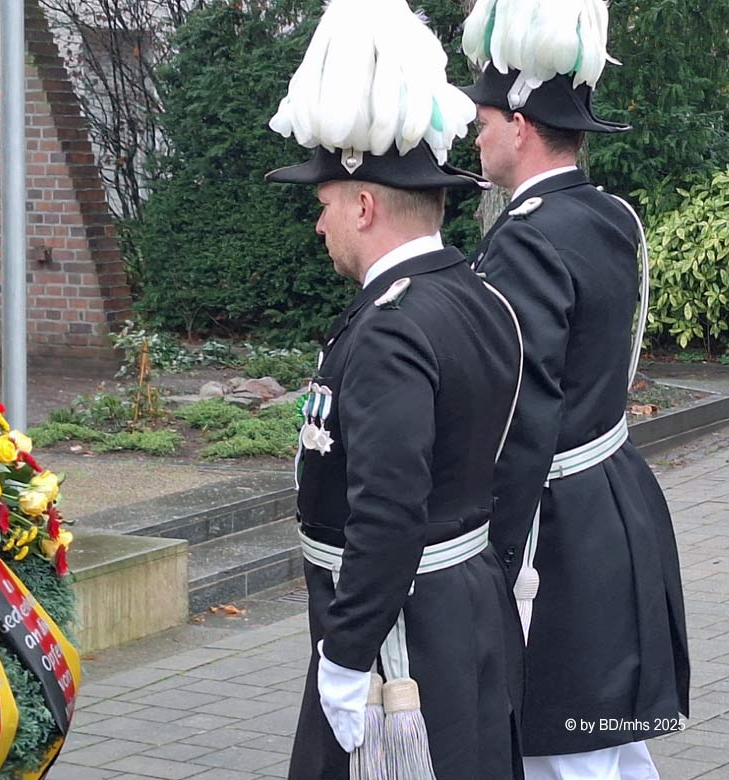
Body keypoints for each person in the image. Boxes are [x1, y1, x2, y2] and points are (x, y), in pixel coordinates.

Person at [266, 1, 525, 778]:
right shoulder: (477, 294)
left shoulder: (391, 328)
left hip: (397, 640)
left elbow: (387, 512)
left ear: (365, 204)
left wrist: (345, 660)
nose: (321, 228)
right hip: (467, 609)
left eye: (325, 207)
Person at [459, 1, 690, 778]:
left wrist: (491, 559)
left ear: (520, 125)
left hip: (554, 527)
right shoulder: (607, 215)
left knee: (564, 751)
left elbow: (520, 420)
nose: (477, 134)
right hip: (616, 493)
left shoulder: (526, 238)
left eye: (485, 120)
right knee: (613, 740)